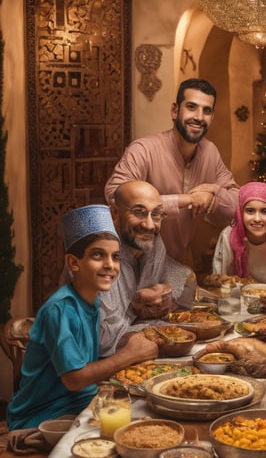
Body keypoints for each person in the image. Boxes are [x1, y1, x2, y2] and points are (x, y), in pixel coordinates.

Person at [7, 205, 158, 430]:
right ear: (73, 263)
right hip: (43, 417)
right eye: (98, 255)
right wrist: (129, 355)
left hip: (82, 404)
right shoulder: (61, 309)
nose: (110, 265)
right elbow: (75, 378)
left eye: (115, 257)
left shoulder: (91, 301)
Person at [105, 78, 240, 265]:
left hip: (171, 266)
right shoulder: (144, 149)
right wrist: (185, 200)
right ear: (175, 110)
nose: (199, 117)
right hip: (126, 264)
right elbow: (114, 196)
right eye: (192, 107)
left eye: (206, 111)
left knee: (195, 291)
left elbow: (238, 205)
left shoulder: (210, 153)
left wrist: (213, 193)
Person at [99, 180, 197, 356]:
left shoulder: (154, 243)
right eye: (139, 212)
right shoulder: (99, 257)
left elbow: (179, 276)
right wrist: (136, 306)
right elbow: (101, 333)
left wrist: (165, 294)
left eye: (157, 214)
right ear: (114, 212)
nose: (150, 225)